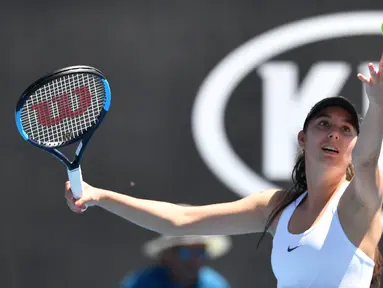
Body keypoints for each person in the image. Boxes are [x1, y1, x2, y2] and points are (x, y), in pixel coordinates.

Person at [65, 54, 383, 287]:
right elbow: (181, 221)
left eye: (346, 129)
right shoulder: (276, 207)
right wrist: (99, 196)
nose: (334, 134)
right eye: (324, 124)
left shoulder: (358, 202)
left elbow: (367, 161)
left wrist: (379, 104)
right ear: (303, 138)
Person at [119, 232, 232, 287]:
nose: (195, 260)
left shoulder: (215, 285)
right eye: (187, 252)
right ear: (167, 255)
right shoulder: (142, 283)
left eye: (200, 252)